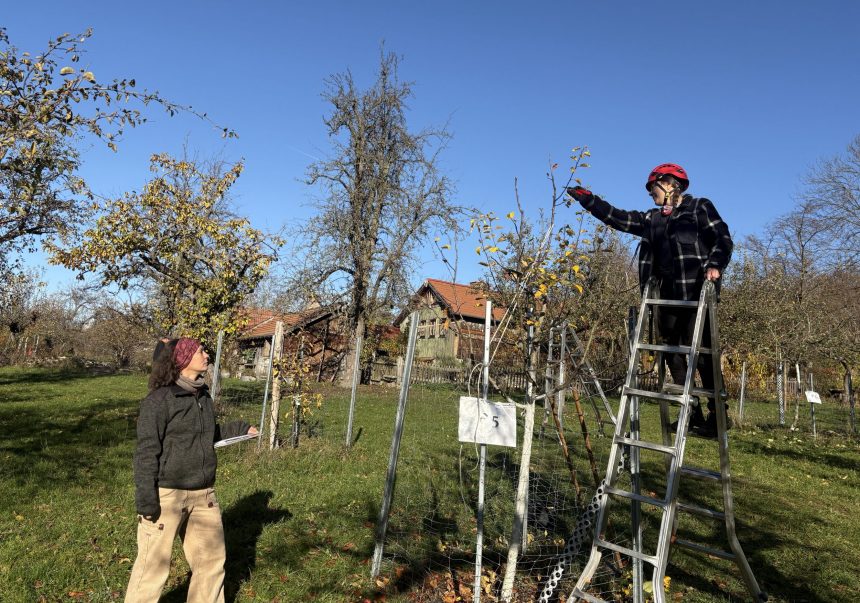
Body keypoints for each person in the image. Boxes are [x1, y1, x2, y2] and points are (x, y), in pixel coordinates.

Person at [567, 163, 733, 437]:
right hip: (664, 299)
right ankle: (690, 410)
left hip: (696, 296)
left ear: (668, 184)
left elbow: (722, 238)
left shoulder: (699, 208)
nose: (650, 194)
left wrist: (715, 264)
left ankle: (718, 416)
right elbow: (618, 218)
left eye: (652, 188)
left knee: (703, 356)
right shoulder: (651, 218)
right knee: (671, 354)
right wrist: (589, 200)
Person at [126, 337, 258, 603]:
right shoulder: (159, 400)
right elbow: (146, 452)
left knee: (211, 564)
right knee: (152, 569)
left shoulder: (203, 396)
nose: (206, 355)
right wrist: (146, 499)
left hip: (203, 494)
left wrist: (241, 429)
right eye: (200, 351)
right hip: (167, 495)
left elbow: (207, 434)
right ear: (183, 359)